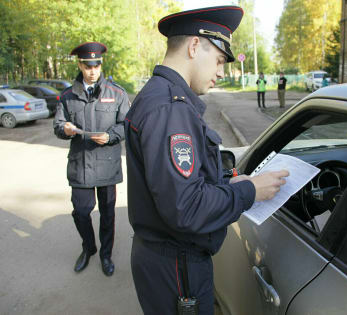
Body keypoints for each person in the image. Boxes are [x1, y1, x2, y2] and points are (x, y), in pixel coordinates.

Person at [124, 6, 289, 315]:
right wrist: (250, 191)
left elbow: (179, 184)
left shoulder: (165, 98)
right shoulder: (170, 108)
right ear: (194, 46)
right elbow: (186, 208)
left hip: (170, 262)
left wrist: (228, 182)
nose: (221, 72)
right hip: (177, 268)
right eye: (218, 60)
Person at [53, 42, 130, 276]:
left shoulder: (117, 93)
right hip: (81, 166)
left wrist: (111, 136)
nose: (93, 70)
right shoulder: (67, 96)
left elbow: (127, 125)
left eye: (96, 65)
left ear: (101, 64)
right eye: (88, 66)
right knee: (81, 211)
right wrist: (64, 129)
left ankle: (106, 255)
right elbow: (57, 125)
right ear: (80, 65)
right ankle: (89, 248)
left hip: (107, 165)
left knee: (107, 214)